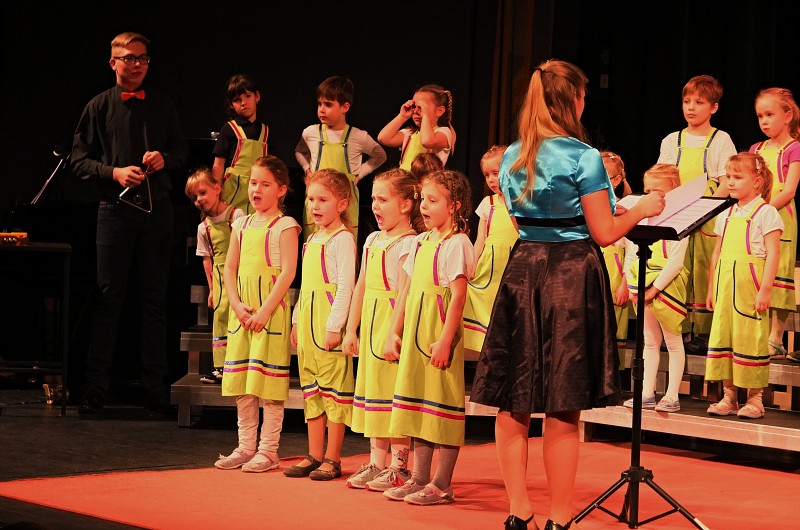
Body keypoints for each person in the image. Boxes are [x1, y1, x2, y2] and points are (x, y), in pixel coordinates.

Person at [469, 60, 665, 530]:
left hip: (523, 271)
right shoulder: (583, 156)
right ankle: (559, 517)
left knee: (514, 397)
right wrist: (642, 209)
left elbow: (519, 220)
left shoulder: (513, 154)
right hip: (570, 274)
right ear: (573, 100)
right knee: (562, 400)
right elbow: (604, 232)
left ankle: (518, 512)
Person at [71, 31, 188, 414]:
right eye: (130, 58)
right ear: (113, 62)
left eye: (143, 59)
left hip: (158, 212)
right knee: (109, 298)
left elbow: (181, 150)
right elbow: (78, 160)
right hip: (115, 211)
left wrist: (165, 159)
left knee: (155, 298)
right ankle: (95, 389)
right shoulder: (99, 106)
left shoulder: (164, 104)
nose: (137, 64)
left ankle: (156, 389)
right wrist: (114, 172)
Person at [382, 169, 475, 506]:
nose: (424, 206)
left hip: (438, 332)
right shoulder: (421, 241)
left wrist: (446, 340)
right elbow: (406, 291)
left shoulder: (457, 243)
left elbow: (458, 297)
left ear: (454, 206)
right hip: (415, 334)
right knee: (418, 405)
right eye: (423, 199)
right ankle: (419, 477)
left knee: (442, 407)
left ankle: (441, 483)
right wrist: (394, 331)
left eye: (433, 200)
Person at [214, 155, 300, 471]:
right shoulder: (241, 224)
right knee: (244, 385)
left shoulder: (286, 225)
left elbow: (288, 271)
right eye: (253, 183)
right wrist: (236, 305)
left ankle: (268, 450)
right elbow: (230, 268)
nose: (256, 190)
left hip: (270, 313)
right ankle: (245, 446)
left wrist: (264, 311)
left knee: (269, 387)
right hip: (243, 314)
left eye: (265, 184)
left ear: (281, 189)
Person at [341, 168, 422, 491]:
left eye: (383, 199)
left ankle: (399, 466)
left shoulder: (409, 242)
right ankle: (376, 461)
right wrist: (351, 329)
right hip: (371, 323)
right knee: (374, 392)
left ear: (405, 204)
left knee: (392, 395)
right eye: (373, 198)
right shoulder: (373, 239)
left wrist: (393, 332)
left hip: (391, 322)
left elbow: (404, 292)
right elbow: (361, 284)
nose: (375, 205)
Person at [285, 169, 357, 480]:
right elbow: (305, 285)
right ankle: (314, 454)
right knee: (312, 390)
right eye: (311, 198)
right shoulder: (313, 237)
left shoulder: (343, 239)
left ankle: (333, 457)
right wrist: (296, 319)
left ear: (341, 204)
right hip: (308, 321)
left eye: (323, 199)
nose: (315, 205)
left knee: (334, 391)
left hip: (328, 322)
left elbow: (345, 286)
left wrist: (334, 327)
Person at [657, 75, 736, 354]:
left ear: (713, 107)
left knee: (703, 270)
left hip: (706, 214)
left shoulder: (720, 140)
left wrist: (704, 210)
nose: (691, 107)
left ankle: (703, 332)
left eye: (699, 102)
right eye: (687, 101)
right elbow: (662, 177)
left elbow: (726, 180)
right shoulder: (672, 140)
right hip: (677, 212)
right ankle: (675, 329)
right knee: (676, 269)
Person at [705, 152, 782, 419]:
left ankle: (755, 399)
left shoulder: (766, 212)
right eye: (728, 177)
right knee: (725, 337)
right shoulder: (726, 213)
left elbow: (773, 253)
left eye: (738, 177)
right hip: (725, 284)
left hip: (750, 284)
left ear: (757, 181)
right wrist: (711, 288)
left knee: (751, 339)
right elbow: (716, 253)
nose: (731, 182)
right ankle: (729, 397)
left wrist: (766, 289)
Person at [622, 164, 690, 412]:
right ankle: (646, 392)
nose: (652, 195)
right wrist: (633, 285)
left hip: (667, 285)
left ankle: (672, 396)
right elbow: (631, 252)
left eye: (658, 190)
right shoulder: (641, 216)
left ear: (674, 190)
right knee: (649, 341)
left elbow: (676, 262)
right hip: (642, 283)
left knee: (673, 340)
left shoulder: (682, 219)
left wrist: (654, 289)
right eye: (648, 190)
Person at [295, 76, 387, 242]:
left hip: (345, 201)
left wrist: (359, 174)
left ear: (345, 107)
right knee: (315, 244)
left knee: (344, 242)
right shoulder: (310, 133)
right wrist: (307, 170)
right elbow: (299, 151)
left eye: (328, 104)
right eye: (319, 104)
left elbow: (380, 155)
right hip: (317, 201)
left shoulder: (358, 136)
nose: (321, 110)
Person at [749, 88, 800, 362]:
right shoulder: (756, 150)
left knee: (779, 273)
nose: (764, 121)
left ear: (787, 115)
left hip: (779, 217)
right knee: (758, 271)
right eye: (760, 116)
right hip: (755, 217)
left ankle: (776, 338)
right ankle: (756, 333)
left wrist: (764, 209)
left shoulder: (794, 148)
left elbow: (789, 189)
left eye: (770, 114)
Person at [184, 168, 245, 385]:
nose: (199, 200)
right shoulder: (203, 228)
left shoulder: (236, 216)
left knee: (238, 316)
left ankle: (240, 363)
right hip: (219, 278)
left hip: (239, 273)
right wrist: (212, 289)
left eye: (202, 193)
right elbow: (207, 260)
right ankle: (221, 366)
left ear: (217, 189)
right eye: (194, 197)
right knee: (220, 318)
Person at [463, 145, 518, 353]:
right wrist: (472, 265)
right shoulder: (489, 203)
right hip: (490, 266)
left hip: (513, 263)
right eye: (487, 175)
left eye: (496, 173)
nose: (491, 180)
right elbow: (480, 239)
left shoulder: (521, 201)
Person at [212, 73, 268, 215]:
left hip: (257, 191)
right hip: (232, 192)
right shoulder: (229, 129)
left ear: (257, 96)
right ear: (231, 104)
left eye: (248, 96)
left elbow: (272, 165)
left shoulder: (265, 131)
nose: (243, 103)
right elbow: (218, 165)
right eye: (237, 100)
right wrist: (216, 194)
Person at [600, 151, 633, 370]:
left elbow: (631, 250)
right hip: (594, 266)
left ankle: (611, 375)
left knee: (613, 325)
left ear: (617, 180)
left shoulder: (625, 208)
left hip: (615, 273)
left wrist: (625, 283)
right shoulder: (586, 207)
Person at [378, 84, 455, 171]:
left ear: (440, 111)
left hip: (427, 179)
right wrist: (402, 116)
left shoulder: (443, 132)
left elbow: (427, 141)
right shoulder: (409, 133)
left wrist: (425, 115)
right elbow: (383, 138)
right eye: (414, 106)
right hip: (404, 178)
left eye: (421, 107)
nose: (415, 111)